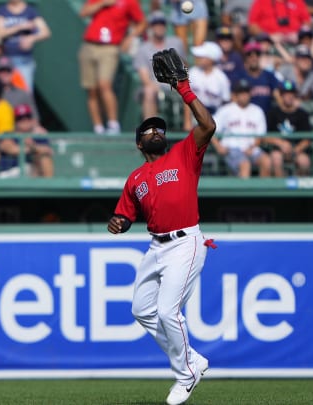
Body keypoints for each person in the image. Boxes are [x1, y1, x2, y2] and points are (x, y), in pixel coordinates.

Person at [107, 48, 213, 405]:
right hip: (157, 246)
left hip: (186, 241)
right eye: (148, 130)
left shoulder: (184, 153)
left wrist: (184, 88)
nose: (155, 131)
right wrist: (118, 223)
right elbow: (124, 216)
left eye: (159, 128)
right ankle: (191, 360)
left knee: (168, 311)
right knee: (142, 309)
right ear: (140, 143)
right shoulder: (136, 177)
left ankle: (186, 373)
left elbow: (208, 126)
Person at [78, 0, 146, 135]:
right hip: (89, 45)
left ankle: (113, 124)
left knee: (104, 85)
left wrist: (130, 38)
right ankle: (97, 127)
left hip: (110, 47)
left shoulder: (129, 2)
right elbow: (83, 12)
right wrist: (102, 3)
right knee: (91, 89)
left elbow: (142, 22)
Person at [211, 78, 269, 177]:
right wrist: (218, 146)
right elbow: (210, 129)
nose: (244, 95)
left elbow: (260, 135)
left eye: (246, 92)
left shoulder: (257, 110)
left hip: (251, 148)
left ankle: (263, 192)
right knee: (245, 164)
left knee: (267, 161)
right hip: (232, 149)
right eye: (241, 92)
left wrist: (252, 148)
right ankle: (246, 193)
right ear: (235, 95)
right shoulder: (225, 110)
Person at [133, 11, 185, 119]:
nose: (159, 27)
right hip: (155, 85)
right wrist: (156, 87)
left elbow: (184, 66)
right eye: (156, 24)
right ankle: (150, 129)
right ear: (151, 27)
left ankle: (189, 127)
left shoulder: (176, 43)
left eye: (162, 24)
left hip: (176, 83)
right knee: (148, 90)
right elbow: (145, 78)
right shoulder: (143, 49)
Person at [0, 0, 51, 93]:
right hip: (5, 59)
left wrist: (32, 38)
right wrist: (20, 27)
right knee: (4, 92)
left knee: (25, 92)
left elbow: (46, 32)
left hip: (24, 60)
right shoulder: (2, 10)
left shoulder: (30, 11)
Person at [265, 80, 312, 176]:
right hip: (278, 150)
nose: (289, 96)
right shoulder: (273, 113)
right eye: (286, 94)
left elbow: (307, 139)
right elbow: (265, 137)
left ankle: (299, 190)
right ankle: (281, 189)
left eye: (292, 93)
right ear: (281, 95)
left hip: (296, 151)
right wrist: (281, 143)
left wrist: (295, 150)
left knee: (304, 161)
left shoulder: (302, 114)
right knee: (276, 158)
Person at [184, 41, 230, 130]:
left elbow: (225, 103)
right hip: (195, 114)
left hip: (215, 115)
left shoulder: (221, 78)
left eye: (202, 57)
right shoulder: (193, 72)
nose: (198, 58)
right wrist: (187, 121)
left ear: (211, 59)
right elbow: (187, 99)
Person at [247, 0, 312, 45]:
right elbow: (252, 25)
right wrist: (268, 37)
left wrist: (300, 35)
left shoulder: (297, 1)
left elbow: (307, 22)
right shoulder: (260, 2)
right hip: (270, 41)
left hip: (296, 40)